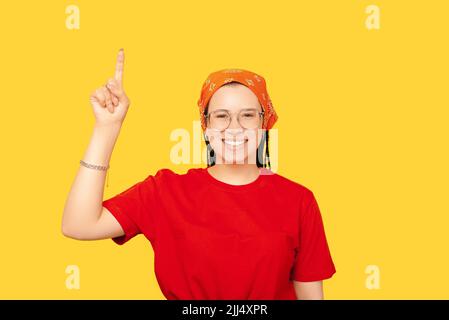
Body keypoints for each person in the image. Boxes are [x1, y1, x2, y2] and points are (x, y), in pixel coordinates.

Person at [61, 49, 336, 300]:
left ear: (264, 123)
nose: (234, 127)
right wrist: (106, 127)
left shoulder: (299, 200)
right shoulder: (164, 191)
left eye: (248, 115)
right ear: (205, 126)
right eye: (221, 116)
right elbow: (79, 224)